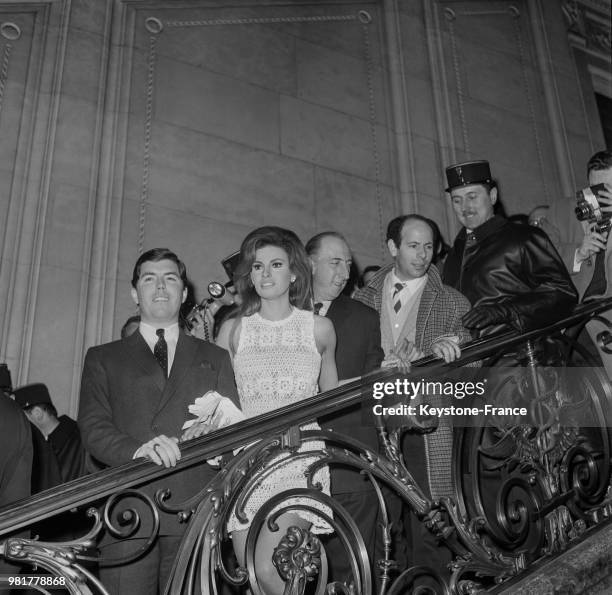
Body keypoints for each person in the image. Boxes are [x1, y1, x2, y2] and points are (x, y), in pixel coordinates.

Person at [78, 247, 238, 595]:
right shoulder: (103, 357)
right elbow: (93, 428)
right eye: (149, 279)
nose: (160, 287)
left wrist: (213, 440)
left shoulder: (216, 356)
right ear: (135, 293)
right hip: (128, 510)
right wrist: (138, 450)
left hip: (196, 508)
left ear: (184, 292)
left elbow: (234, 429)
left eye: (170, 278)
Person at [216, 226, 338, 595]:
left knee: (277, 573)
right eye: (257, 267)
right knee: (253, 574)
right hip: (248, 460)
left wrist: (386, 374)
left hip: (299, 460)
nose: (265, 274)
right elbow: (219, 403)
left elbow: (332, 397)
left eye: (275, 264)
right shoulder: (233, 332)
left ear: (295, 272)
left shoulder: (318, 329)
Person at [353, 214, 471, 578]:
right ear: (392, 248)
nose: (423, 255)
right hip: (375, 420)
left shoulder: (453, 302)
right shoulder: (361, 298)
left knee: (431, 515)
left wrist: (451, 345)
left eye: (429, 247)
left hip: (427, 421)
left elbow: (473, 348)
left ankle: (435, 585)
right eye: (413, 245)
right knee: (384, 519)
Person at [305, 231, 384, 584]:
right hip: (287, 467)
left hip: (347, 465)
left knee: (349, 573)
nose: (344, 273)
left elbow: (374, 386)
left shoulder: (364, 318)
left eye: (348, 264)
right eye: (335, 262)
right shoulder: (279, 313)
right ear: (309, 264)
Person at [442, 160, 577, 337]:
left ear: (492, 196)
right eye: (457, 200)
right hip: (471, 360)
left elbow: (563, 294)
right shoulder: (453, 255)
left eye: (472, 197)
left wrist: (504, 311)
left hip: (519, 355)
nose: (465, 207)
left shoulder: (524, 237)